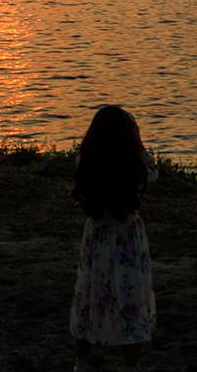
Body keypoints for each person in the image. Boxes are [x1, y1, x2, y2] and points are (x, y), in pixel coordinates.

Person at [69, 106, 158, 371]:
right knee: (131, 300)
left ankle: (80, 363)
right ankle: (130, 365)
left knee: (90, 296)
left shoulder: (87, 161)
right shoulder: (137, 163)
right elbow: (152, 176)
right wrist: (138, 140)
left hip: (97, 236)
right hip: (128, 237)